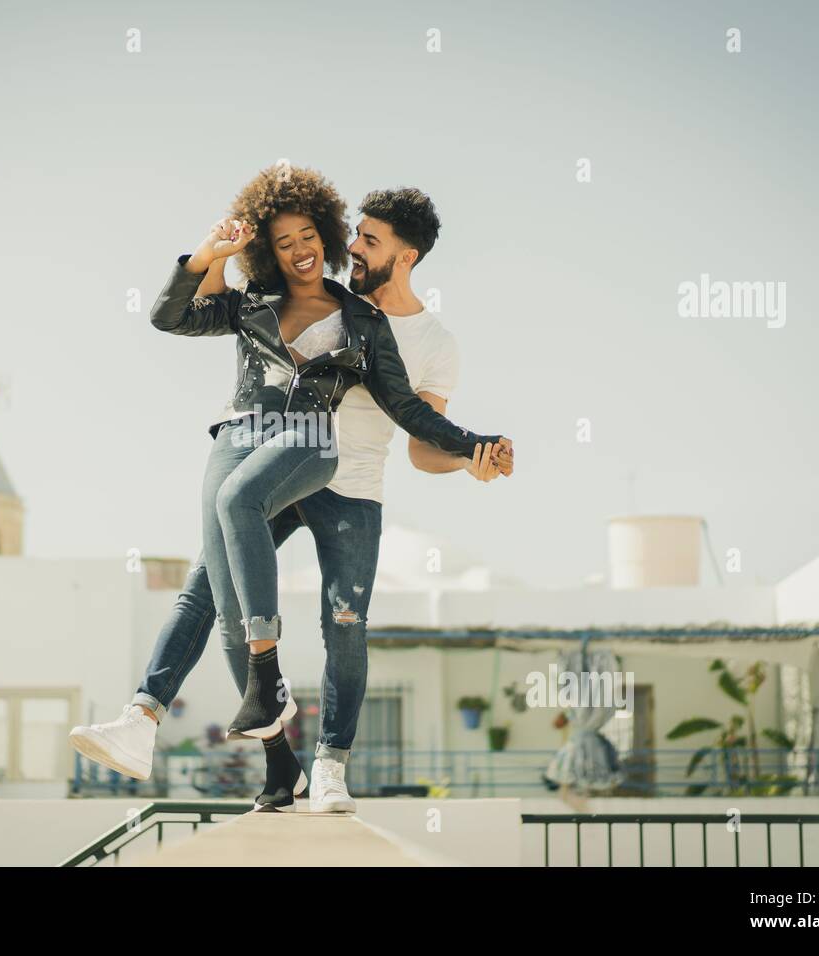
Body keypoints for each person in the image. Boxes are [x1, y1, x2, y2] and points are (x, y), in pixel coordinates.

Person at [71, 169, 512, 811]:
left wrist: (472, 449)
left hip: (345, 477)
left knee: (345, 625)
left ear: (405, 256)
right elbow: (177, 315)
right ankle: (251, 753)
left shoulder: (404, 334)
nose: (354, 248)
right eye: (355, 235)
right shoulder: (265, 300)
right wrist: (212, 256)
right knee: (208, 594)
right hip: (263, 456)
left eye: (369, 240)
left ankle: (330, 763)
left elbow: (417, 428)